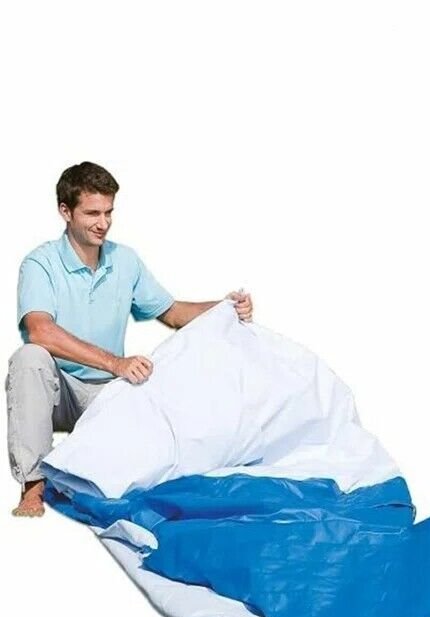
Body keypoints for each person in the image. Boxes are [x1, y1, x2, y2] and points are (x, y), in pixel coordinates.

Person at [7, 161, 254, 518]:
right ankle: (33, 484)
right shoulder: (40, 263)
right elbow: (39, 330)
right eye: (92, 213)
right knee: (28, 357)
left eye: (108, 212)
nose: (103, 223)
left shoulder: (124, 260)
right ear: (65, 211)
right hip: (57, 392)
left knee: (146, 467)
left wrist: (224, 307)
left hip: (109, 395)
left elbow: (172, 312)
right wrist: (116, 363)